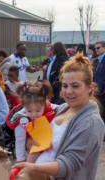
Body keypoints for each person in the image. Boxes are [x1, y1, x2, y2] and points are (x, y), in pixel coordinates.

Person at [13, 52, 104, 180]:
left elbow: (68, 165)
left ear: (89, 88)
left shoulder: (91, 122)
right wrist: (30, 139)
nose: (68, 91)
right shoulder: (61, 109)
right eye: (65, 86)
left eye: (75, 86)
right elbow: (33, 111)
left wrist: (32, 167)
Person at [7, 81, 55, 164]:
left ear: (44, 105)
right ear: (24, 107)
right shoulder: (22, 121)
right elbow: (20, 141)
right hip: (34, 148)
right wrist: (21, 160)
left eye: (38, 110)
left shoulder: (50, 114)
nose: (33, 114)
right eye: (29, 111)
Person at [94, 41, 105, 123]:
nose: (96, 50)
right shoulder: (99, 60)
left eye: (98, 48)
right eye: (95, 48)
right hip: (98, 92)